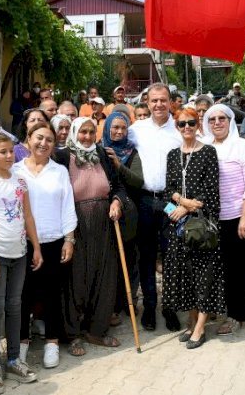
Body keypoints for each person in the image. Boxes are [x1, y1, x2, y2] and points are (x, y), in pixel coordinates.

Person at [0, 133, 42, 394]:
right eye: (2, 152)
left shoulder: (20, 181)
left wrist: (36, 247)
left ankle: (14, 359)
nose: (9, 156)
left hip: (20, 253)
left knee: (15, 306)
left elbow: (27, 215)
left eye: (11, 151)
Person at [55, 117, 125, 356]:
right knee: (76, 280)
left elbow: (118, 186)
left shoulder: (102, 155)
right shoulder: (63, 157)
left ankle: (96, 331)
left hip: (104, 226)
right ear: (74, 133)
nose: (86, 136)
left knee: (103, 278)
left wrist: (116, 201)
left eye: (90, 132)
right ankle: (72, 334)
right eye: (82, 132)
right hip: (76, 226)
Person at [14, 123, 77, 369]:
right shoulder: (15, 170)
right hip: (21, 243)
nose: (44, 143)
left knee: (52, 294)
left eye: (49, 140)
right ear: (28, 139)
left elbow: (67, 207)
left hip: (53, 241)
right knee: (21, 296)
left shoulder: (60, 171)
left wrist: (69, 239)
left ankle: (51, 342)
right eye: (39, 138)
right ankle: (20, 343)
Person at [162, 107, 223, 349]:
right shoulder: (172, 155)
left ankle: (200, 327)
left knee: (204, 275)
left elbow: (210, 191)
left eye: (191, 123)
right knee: (185, 276)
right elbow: (168, 190)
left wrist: (186, 206)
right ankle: (192, 318)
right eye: (181, 124)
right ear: (176, 127)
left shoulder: (208, 152)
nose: (186, 128)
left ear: (198, 126)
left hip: (202, 225)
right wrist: (179, 203)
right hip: (178, 226)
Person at [128, 83, 183, 331]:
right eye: (154, 101)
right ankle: (150, 307)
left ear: (170, 101)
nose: (159, 105)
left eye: (163, 100)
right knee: (147, 256)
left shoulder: (181, 127)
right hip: (146, 201)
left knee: (172, 256)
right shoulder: (136, 130)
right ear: (147, 103)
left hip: (171, 203)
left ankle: (169, 307)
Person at [201, 104, 245, 335]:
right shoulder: (203, 147)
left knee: (239, 269)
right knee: (216, 268)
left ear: (230, 120)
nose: (217, 122)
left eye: (222, 118)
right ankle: (217, 307)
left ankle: (237, 315)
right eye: (212, 119)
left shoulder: (242, 147)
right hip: (211, 220)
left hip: (237, 217)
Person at [102, 111, 143, 328]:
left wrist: (119, 165)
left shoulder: (131, 152)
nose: (118, 131)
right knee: (108, 261)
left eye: (123, 128)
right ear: (107, 128)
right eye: (114, 127)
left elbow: (138, 181)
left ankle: (129, 301)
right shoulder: (98, 150)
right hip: (102, 213)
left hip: (128, 213)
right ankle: (109, 306)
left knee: (128, 258)